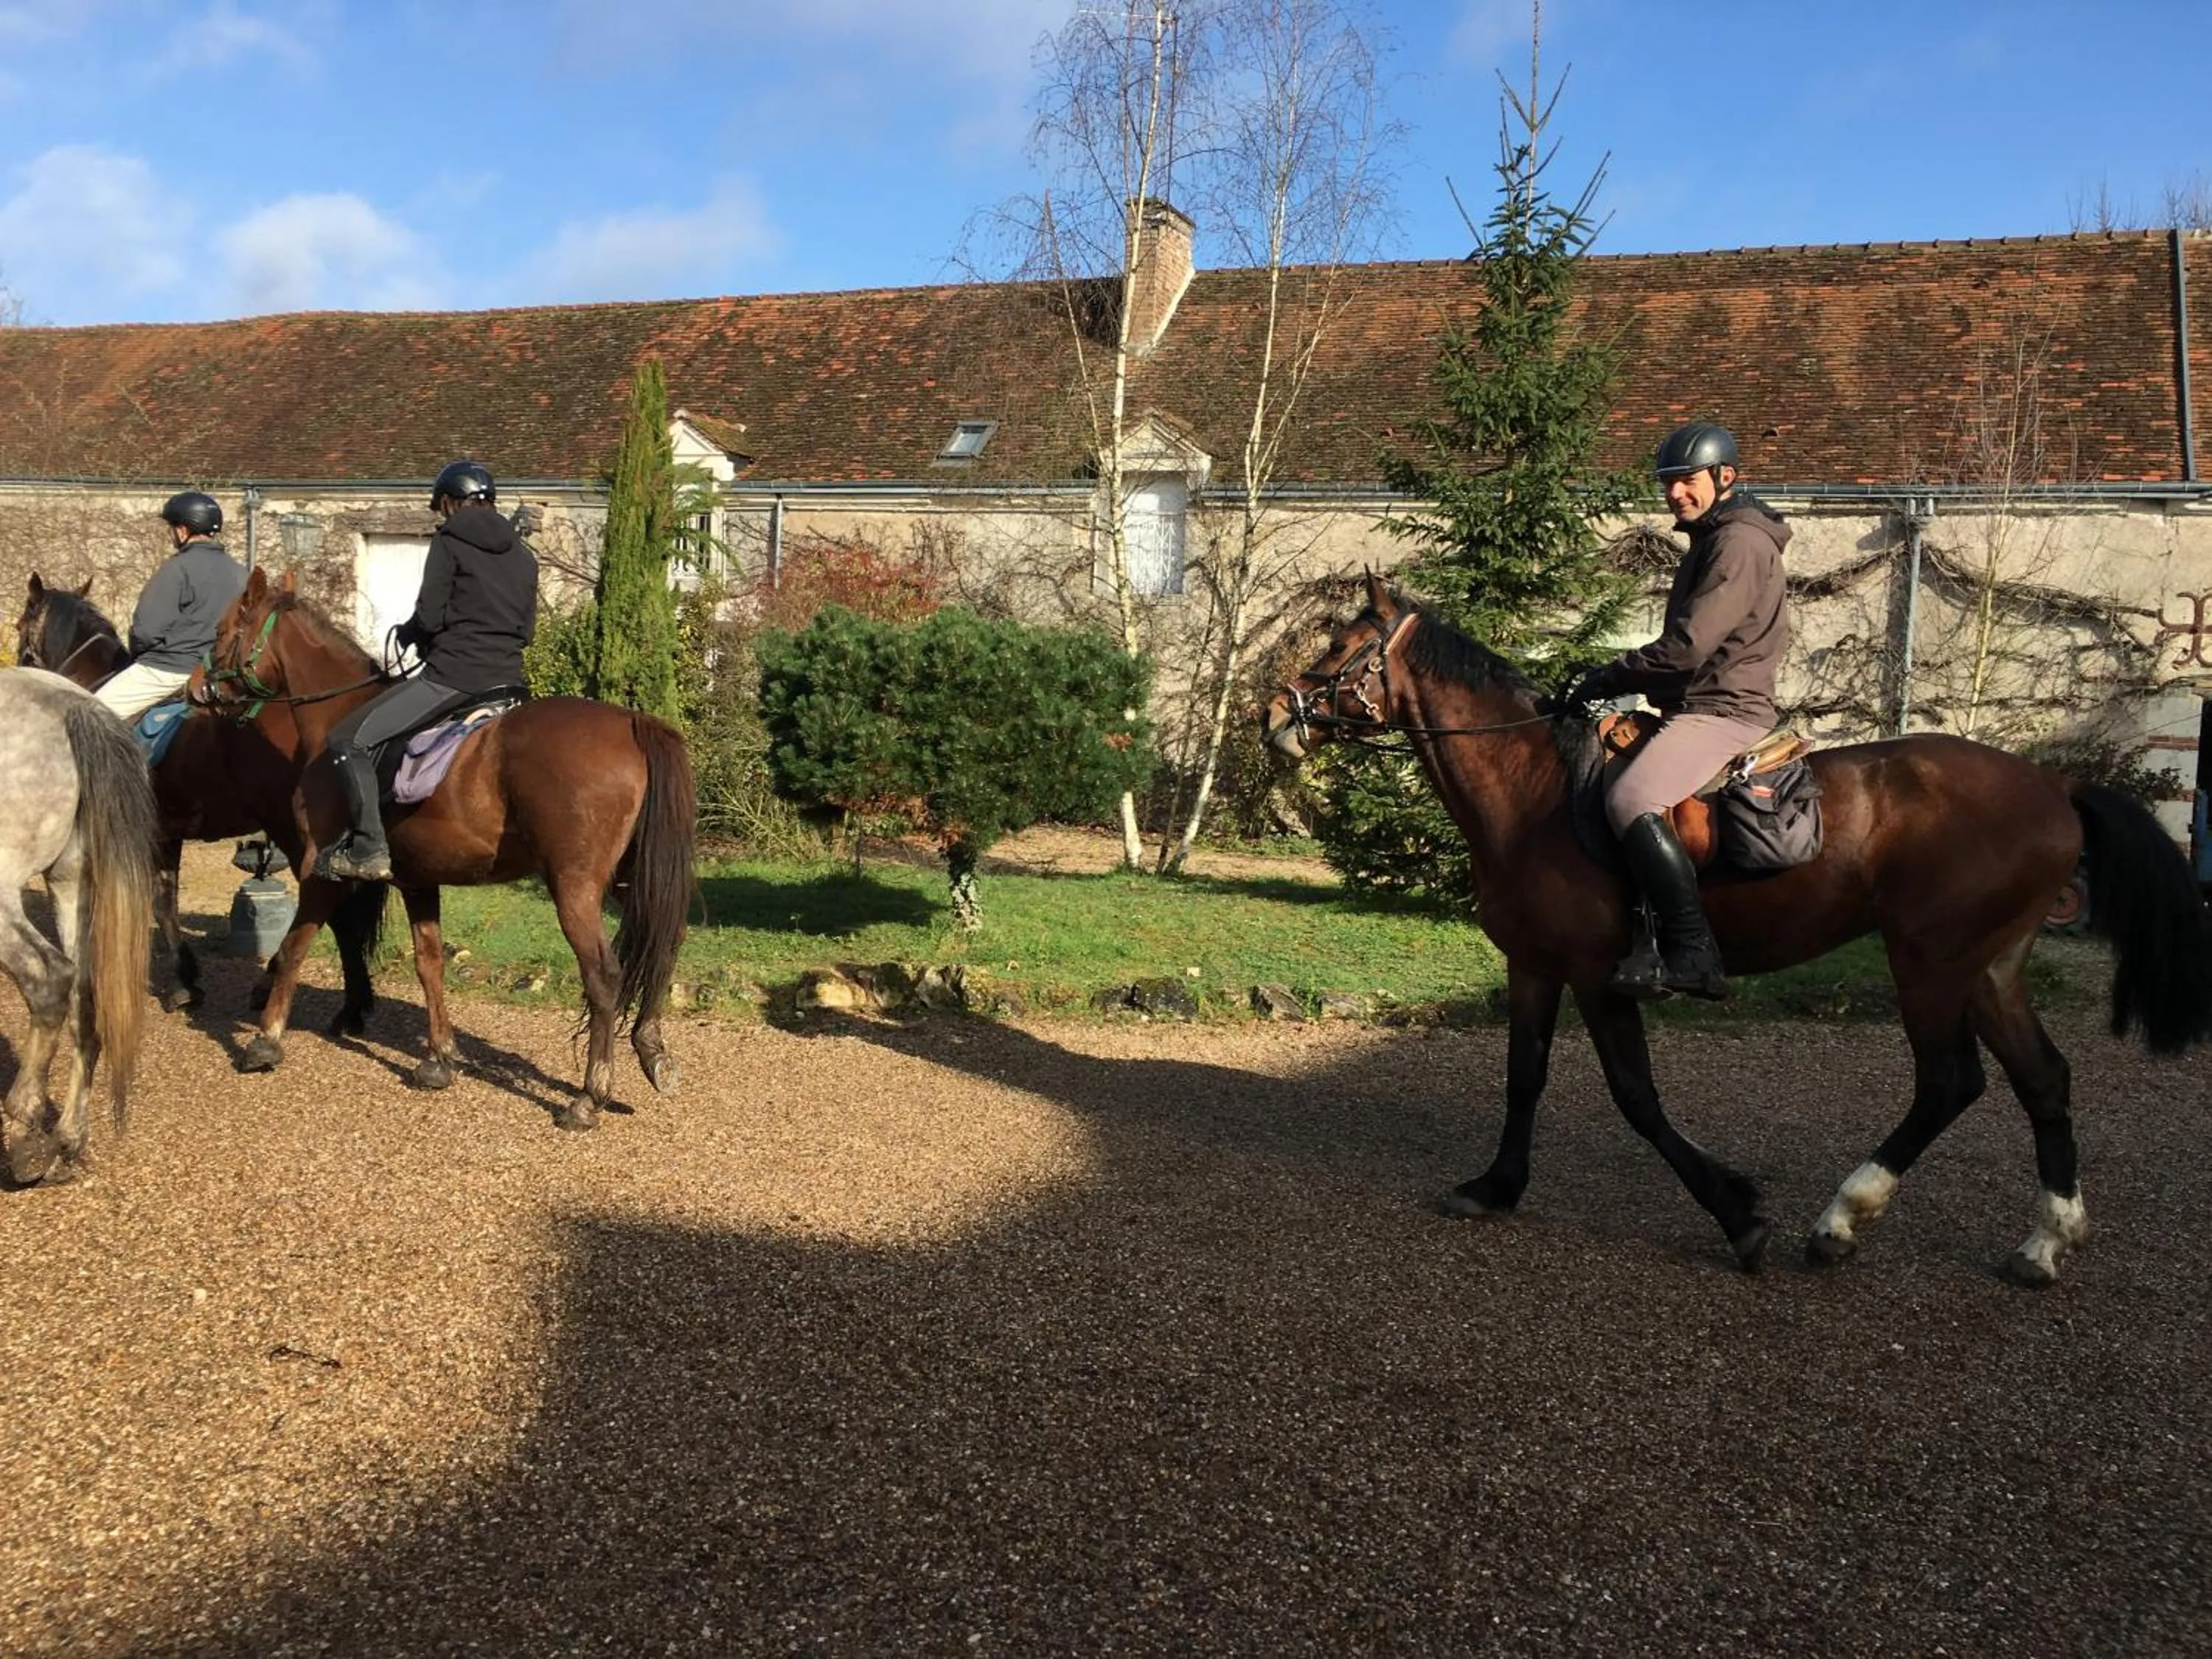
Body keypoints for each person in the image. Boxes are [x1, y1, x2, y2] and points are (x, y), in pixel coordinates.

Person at [1561, 421, 1791, 1001]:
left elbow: (1689, 646)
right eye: (1667, 484)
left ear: (1726, 477)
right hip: (1691, 704)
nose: (1675, 494)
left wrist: (1612, 673)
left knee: (1631, 799)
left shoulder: (1738, 543)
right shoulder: (1714, 537)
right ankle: (1639, 938)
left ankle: (1693, 952)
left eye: (1687, 481)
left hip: (1723, 709)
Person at [319, 459, 538, 882]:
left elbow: (431, 615)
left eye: (441, 508)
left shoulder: (449, 542)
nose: (442, 515)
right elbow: (526, 629)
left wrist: (411, 633)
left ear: (450, 503)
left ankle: (368, 848)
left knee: (347, 740)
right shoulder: (524, 555)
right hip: (511, 681)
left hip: (455, 679)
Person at [94, 490, 247, 724]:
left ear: (183, 530)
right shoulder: (241, 573)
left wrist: (139, 654)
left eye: (172, 528)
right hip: (220, 673)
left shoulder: (177, 569)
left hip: (169, 671)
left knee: (90, 715)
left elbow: (146, 631)